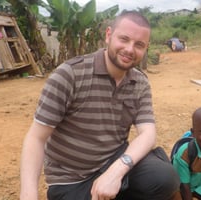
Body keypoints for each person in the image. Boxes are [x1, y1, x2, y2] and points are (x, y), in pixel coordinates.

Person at [20, 11, 181, 200]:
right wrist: (28, 194)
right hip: (72, 178)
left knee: (165, 178)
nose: (130, 49)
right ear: (108, 35)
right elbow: (36, 138)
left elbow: (148, 133)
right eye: (124, 39)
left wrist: (116, 172)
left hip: (113, 161)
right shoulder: (69, 75)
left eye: (139, 44)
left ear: (146, 48)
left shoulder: (140, 83)